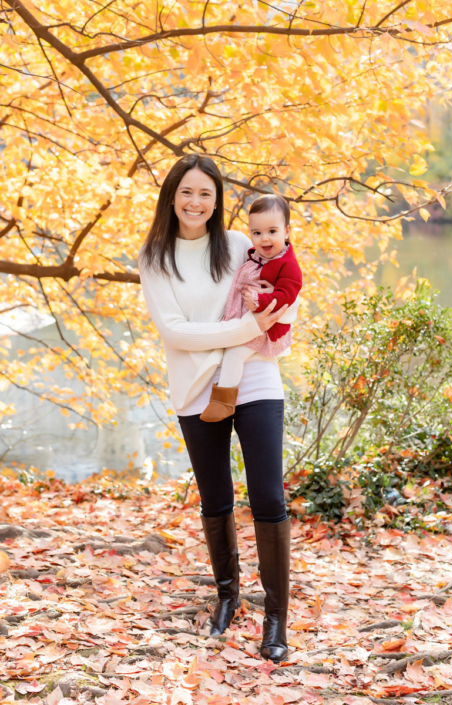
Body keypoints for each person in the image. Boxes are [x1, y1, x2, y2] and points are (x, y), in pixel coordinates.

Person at [138, 154, 299, 662]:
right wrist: (249, 328)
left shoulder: (235, 244)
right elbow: (175, 333)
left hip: (254, 376)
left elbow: (286, 296)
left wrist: (256, 334)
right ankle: (228, 596)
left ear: (216, 201)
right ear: (171, 196)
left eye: (205, 193)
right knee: (215, 499)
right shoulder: (154, 257)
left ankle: (276, 618)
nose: (195, 202)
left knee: (269, 497)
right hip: (196, 388)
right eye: (187, 192)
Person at [200, 194, 302, 422]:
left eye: (272, 231)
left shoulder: (288, 265)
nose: (264, 239)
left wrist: (260, 300)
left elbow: (286, 297)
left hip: (266, 329)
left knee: (235, 353)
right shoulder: (259, 256)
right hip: (247, 321)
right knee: (228, 349)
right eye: (257, 233)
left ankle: (223, 401)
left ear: (287, 231)